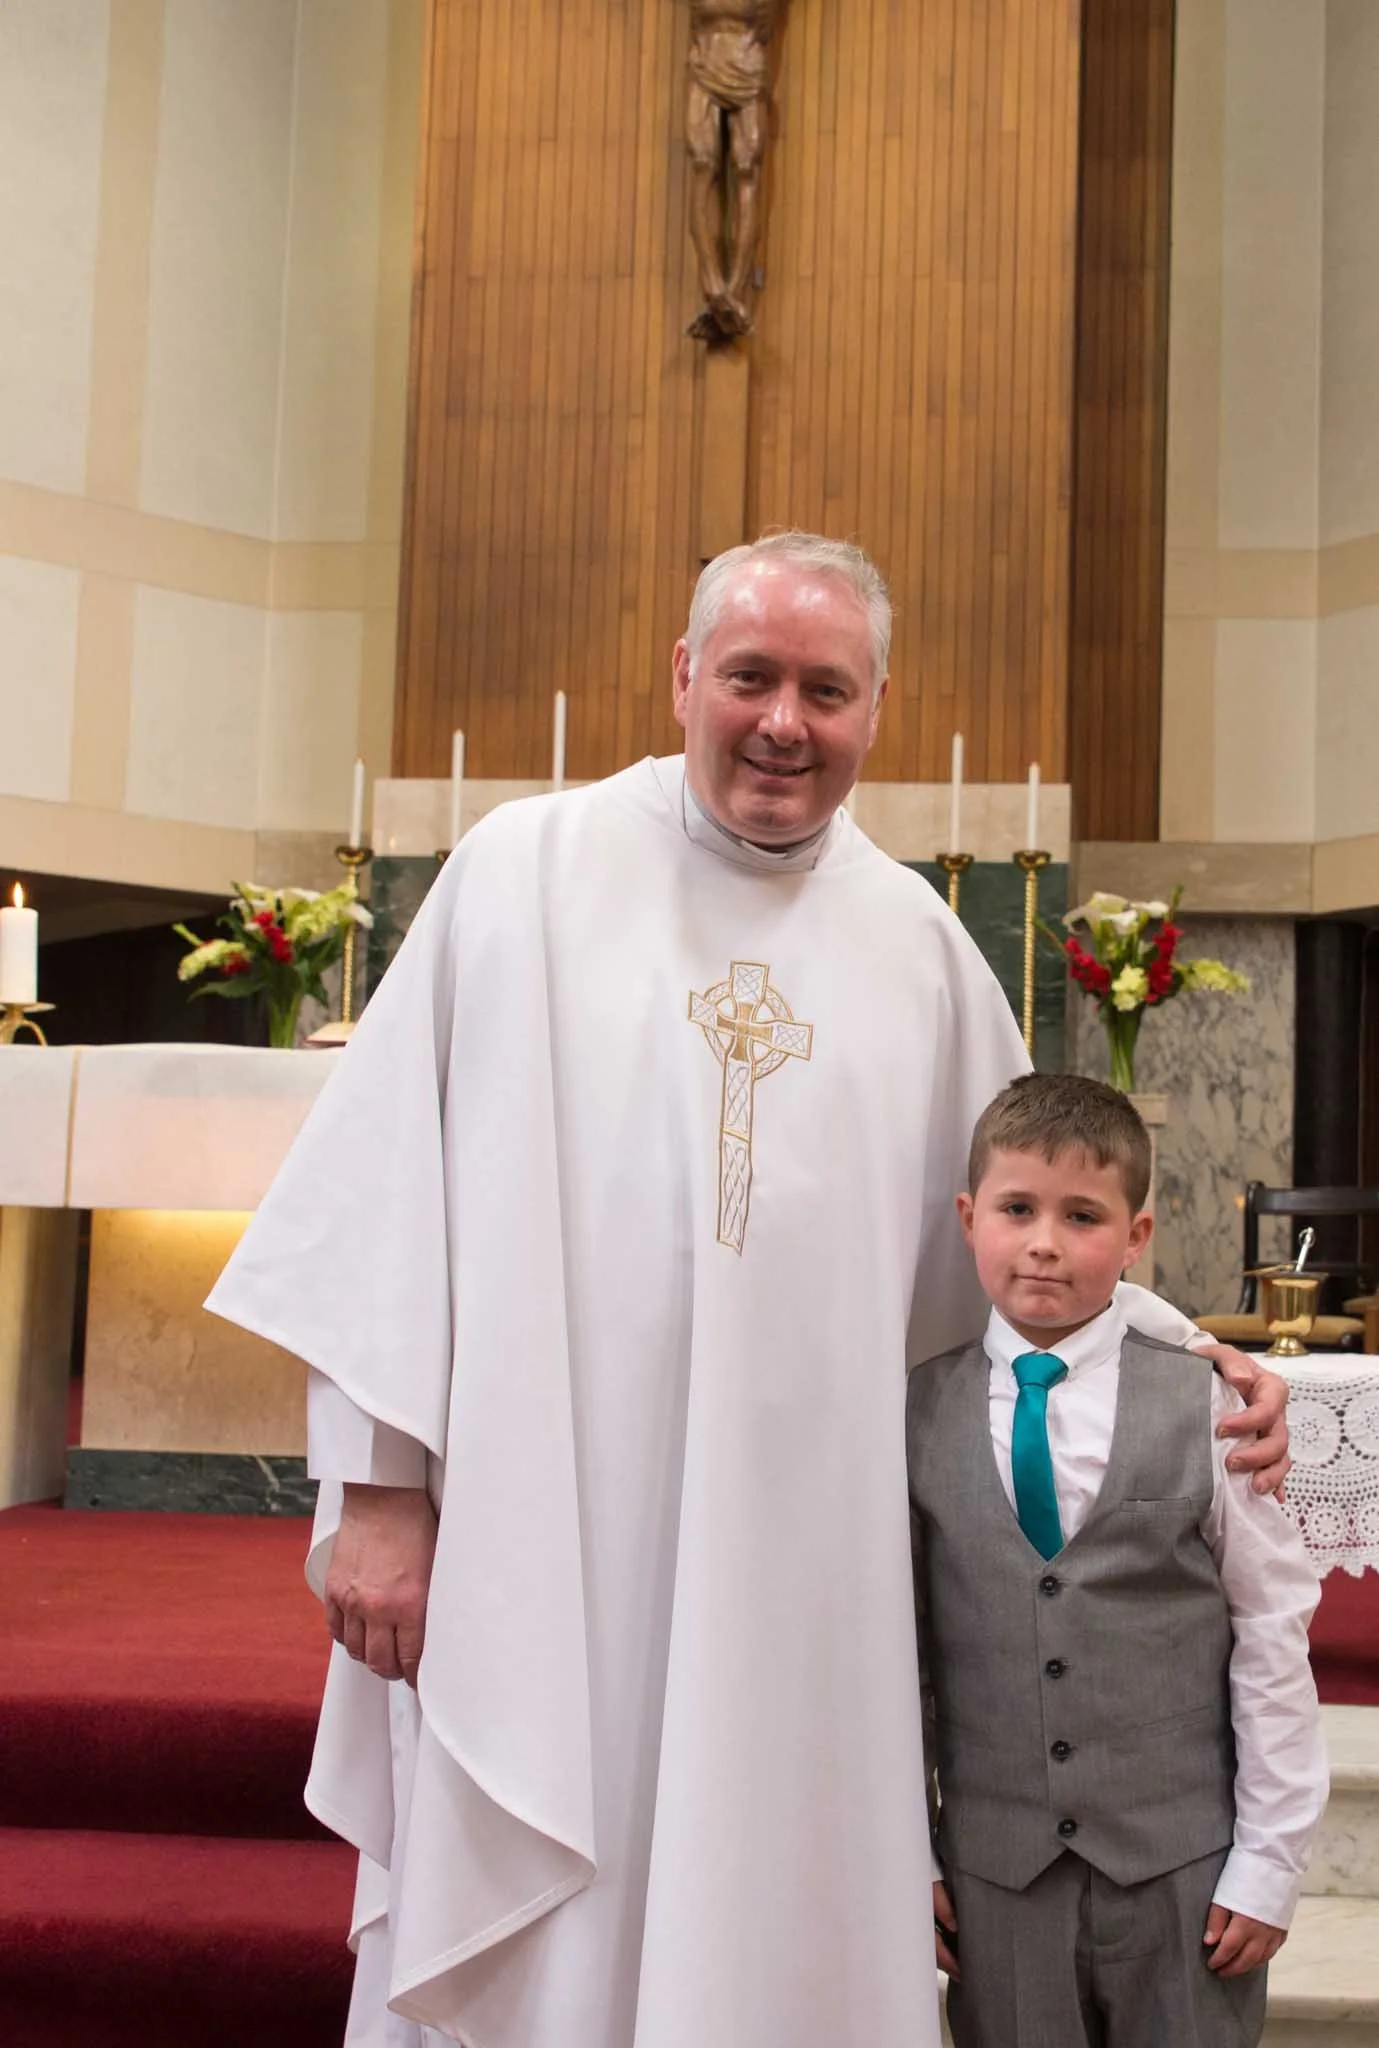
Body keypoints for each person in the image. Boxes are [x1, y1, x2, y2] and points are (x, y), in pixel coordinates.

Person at [207, 533, 1290, 2048]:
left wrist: (1191, 1364)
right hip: (550, 1530)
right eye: (752, 678)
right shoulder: (520, 875)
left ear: (874, 708)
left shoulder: (914, 944)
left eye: (825, 691)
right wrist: (378, 1490)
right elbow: (384, 1201)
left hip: (805, 1566)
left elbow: (1031, 1241)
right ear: (681, 678)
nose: (784, 721)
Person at [909, 1074, 1326, 2048]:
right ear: (970, 1217)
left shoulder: (1208, 1407)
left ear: (1135, 1236)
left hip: (1181, 1876)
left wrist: (1267, 1861)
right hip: (993, 1880)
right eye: (1015, 1209)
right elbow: (899, 1668)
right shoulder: (913, 1414)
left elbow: (1270, 1637)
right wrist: (908, 1852)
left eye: (1081, 1214)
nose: (1043, 1241)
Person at [685, 0, 785, 338]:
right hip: (703, 69)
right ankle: (713, 287)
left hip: (749, 69)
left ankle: (734, 292)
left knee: (746, 171)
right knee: (702, 164)